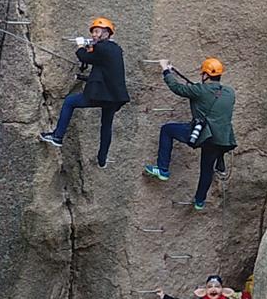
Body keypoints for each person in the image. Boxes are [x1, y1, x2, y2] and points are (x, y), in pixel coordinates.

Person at [143, 56, 236, 210]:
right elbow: (209, 98)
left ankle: (163, 169)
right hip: (221, 140)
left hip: (203, 135)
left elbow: (177, 88)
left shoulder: (200, 90)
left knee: (167, 130)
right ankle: (199, 201)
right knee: (206, 169)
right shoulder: (230, 93)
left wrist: (166, 70)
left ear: (205, 75)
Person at [39, 17, 129, 166]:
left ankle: (57, 136)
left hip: (101, 95)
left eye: (97, 31)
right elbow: (101, 68)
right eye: (93, 32)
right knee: (106, 125)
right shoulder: (116, 49)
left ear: (106, 33)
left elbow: (84, 56)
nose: (94, 34)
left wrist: (81, 46)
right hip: (115, 97)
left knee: (70, 102)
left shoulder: (103, 48)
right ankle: (102, 159)